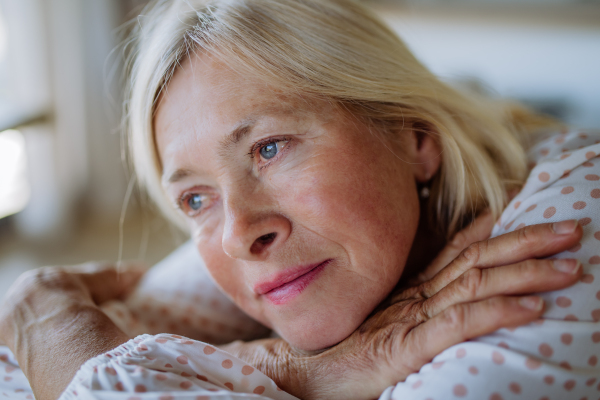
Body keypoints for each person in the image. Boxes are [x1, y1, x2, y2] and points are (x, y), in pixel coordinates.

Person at [0, 0, 598, 399]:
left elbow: (54, 360)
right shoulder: (262, 242)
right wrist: (301, 370)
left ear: (413, 136)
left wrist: (52, 322)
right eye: (195, 198)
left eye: (269, 149)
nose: (239, 233)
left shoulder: (573, 217)